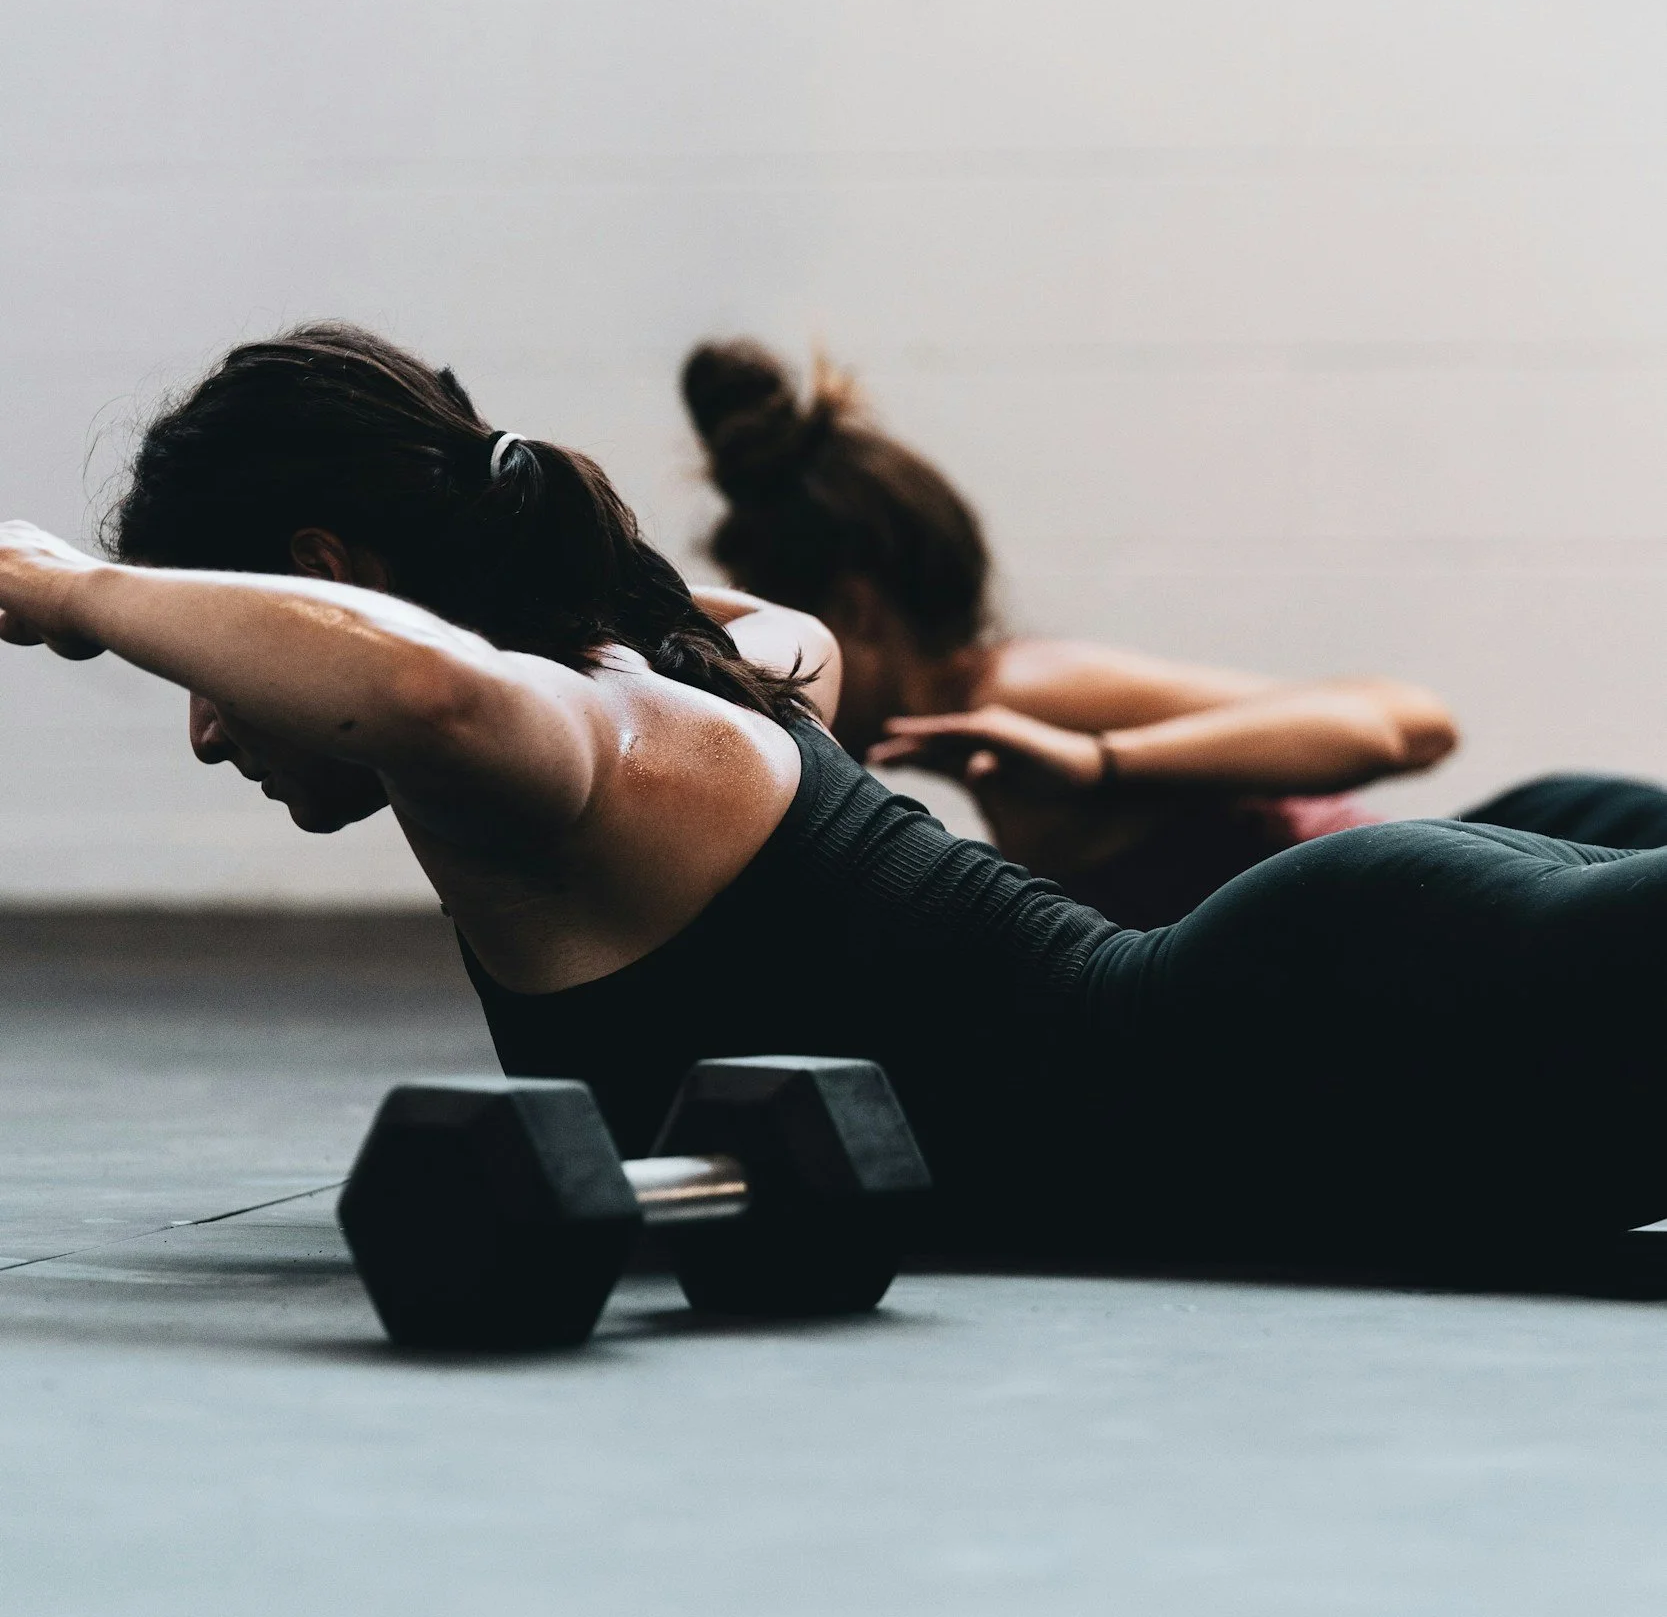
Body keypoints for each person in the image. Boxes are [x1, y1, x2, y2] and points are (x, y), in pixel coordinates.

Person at [4, 321, 1665, 1273]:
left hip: (1327, 1050)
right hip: (1335, 1060)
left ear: (322, 580)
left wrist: (71, 592)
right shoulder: (703, 666)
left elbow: (423, 683)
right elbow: (595, 639)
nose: (212, 728)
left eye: (212, 657)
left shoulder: (559, 751)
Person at [682, 341, 1667, 924]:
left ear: (853, 611)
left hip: (1530, 872)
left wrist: (1100, 763)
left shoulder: (1020, 693)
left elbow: (1402, 725)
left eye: (770, 636)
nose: (759, 675)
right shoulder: (987, 741)